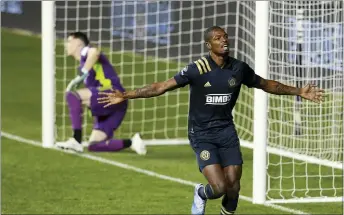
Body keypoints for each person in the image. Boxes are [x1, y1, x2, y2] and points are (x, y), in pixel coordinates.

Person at [97, 26, 324, 214]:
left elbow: (266, 84)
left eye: (225, 36)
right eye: (218, 38)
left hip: (226, 131)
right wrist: (126, 94)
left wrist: (298, 91)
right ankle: (200, 193)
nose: (224, 40)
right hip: (202, 133)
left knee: (234, 187)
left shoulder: (239, 68)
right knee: (219, 187)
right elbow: (161, 87)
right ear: (209, 45)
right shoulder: (198, 69)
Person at [55, 32, 146, 155]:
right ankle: (132, 142)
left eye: (69, 41)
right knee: (94, 145)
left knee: (72, 96)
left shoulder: (85, 52)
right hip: (118, 104)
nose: (66, 44)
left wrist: (82, 74)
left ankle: (76, 140)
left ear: (78, 43)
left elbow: (95, 52)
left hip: (113, 92)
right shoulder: (84, 64)